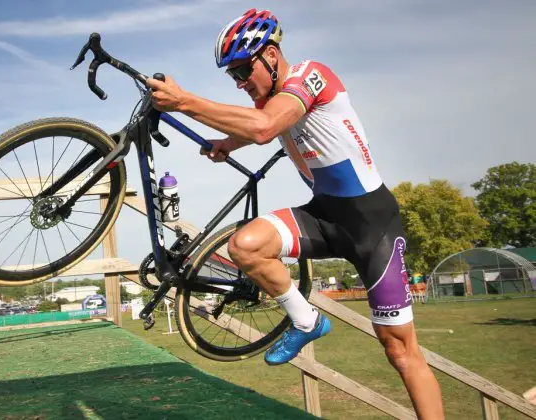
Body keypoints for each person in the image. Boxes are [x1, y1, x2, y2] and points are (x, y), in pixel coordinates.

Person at [146, 8, 444, 419]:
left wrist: (183, 102)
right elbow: (262, 125)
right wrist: (227, 144)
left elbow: (266, 126)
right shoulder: (273, 100)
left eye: (242, 70)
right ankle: (306, 321)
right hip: (322, 216)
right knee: (244, 246)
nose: (238, 82)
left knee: (399, 350)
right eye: (231, 76)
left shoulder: (310, 75)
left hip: (372, 225)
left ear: (270, 55)